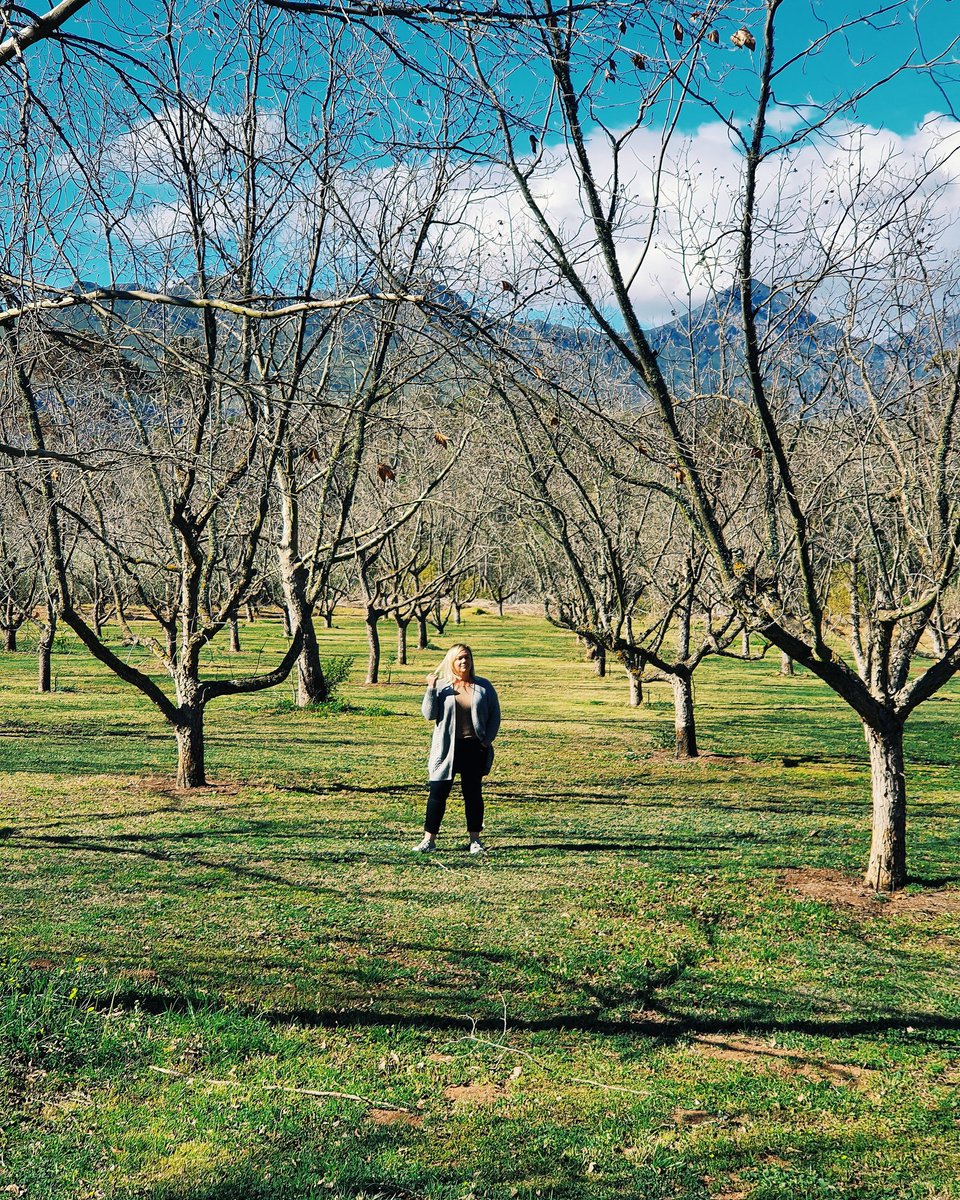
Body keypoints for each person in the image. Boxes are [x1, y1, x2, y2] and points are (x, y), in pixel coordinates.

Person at [415, 643, 500, 854]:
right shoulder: (443, 686)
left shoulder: (483, 686)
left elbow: (495, 716)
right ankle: (429, 840)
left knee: (472, 794)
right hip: (447, 748)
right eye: (459, 658)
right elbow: (429, 714)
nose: (464, 662)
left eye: (467, 657)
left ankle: (475, 841)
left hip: (474, 747)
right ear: (451, 661)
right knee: (437, 793)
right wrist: (430, 689)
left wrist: (486, 742)